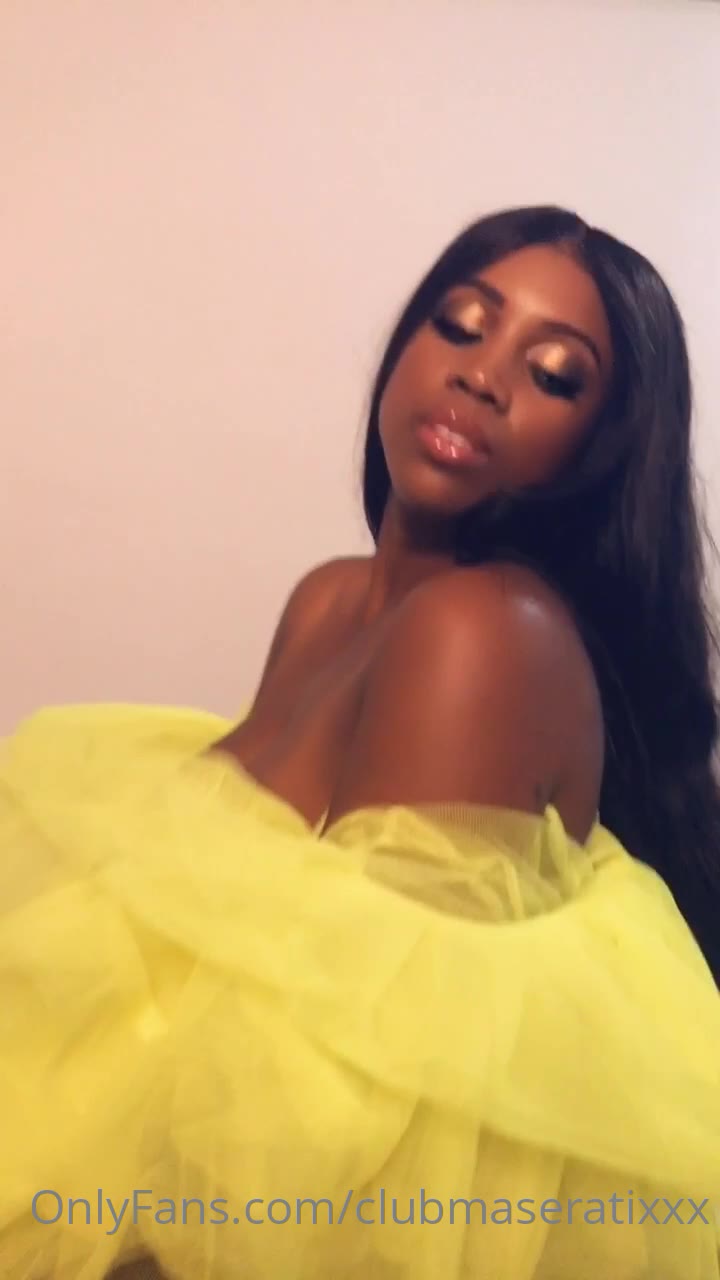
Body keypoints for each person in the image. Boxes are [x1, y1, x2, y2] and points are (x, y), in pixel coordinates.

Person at [2, 206, 720, 1280]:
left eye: (555, 374)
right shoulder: (331, 602)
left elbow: (346, 1131)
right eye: (460, 323)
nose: (481, 376)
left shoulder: (483, 634)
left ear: (602, 450)